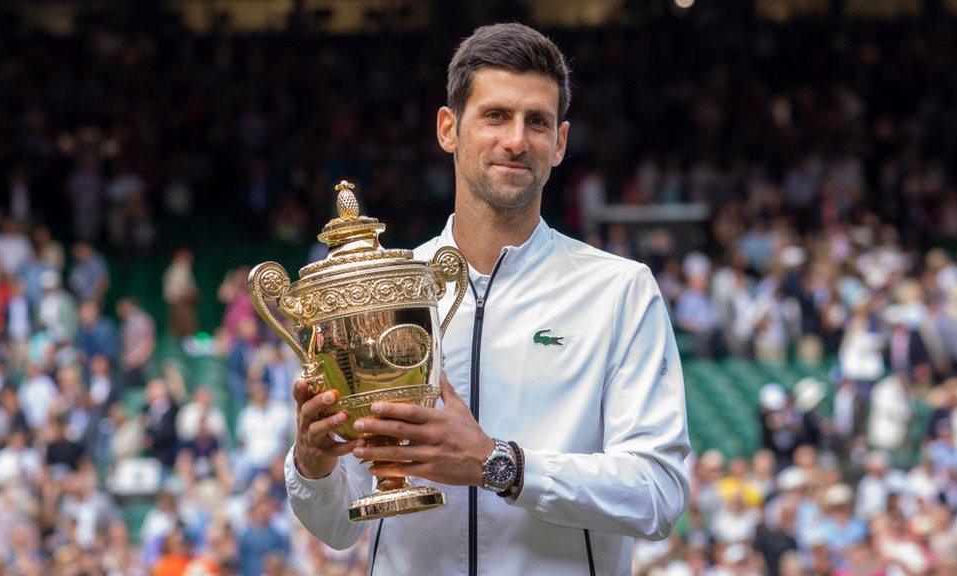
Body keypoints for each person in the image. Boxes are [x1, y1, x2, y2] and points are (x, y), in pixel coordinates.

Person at [284, 23, 690, 575]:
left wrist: (498, 464)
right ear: (448, 128)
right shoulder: (384, 291)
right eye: (496, 115)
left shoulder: (618, 290)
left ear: (561, 143)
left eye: (537, 122)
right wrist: (312, 462)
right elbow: (337, 526)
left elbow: (658, 494)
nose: (517, 140)